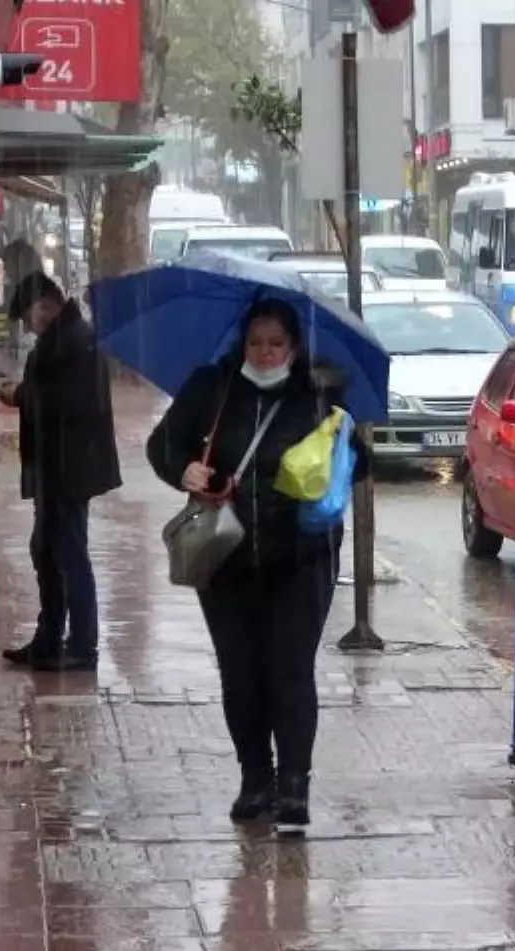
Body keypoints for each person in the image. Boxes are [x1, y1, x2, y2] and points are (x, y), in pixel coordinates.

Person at [146, 298, 369, 830]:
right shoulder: (211, 387)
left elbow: (360, 466)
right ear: (240, 344)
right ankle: (255, 778)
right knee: (242, 675)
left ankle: (294, 784)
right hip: (226, 558)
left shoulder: (317, 394)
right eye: (255, 342)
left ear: (293, 347)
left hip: (301, 559)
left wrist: (339, 446)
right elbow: (162, 446)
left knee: (289, 672)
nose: (265, 353)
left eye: (276, 343)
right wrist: (186, 471)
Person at [0, 271, 121, 672]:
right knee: (46, 552)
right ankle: (48, 639)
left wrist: (21, 395)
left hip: (70, 469)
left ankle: (82, 646)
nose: (29, 326)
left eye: (29, 316)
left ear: (46, 306)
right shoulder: (58, 341)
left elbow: (73, 404)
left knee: (69, 556)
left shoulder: (78, 340)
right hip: (55, 468)